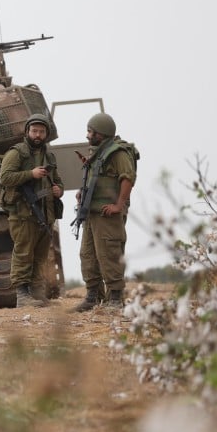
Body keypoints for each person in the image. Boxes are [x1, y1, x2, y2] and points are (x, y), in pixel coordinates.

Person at [72, 113, 139, 313]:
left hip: (108, 214)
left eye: (90, 131)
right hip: (92, 213)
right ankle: (93, 296)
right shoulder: (99, 151)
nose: (87, 135)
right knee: (88, 255)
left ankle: (116, 298)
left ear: (101, 133)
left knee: (109, 254)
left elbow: (127, 178)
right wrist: (81, 193)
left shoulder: (118, 153)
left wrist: (119, 205)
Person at [0, 113, 65, 308]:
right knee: (23, 254)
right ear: (27, 131)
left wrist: (58, 190)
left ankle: (37, 294)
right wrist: (31, 174)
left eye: (41, 132)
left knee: (40, 256)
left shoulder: (49, 156)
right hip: (23, 214)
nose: (38, 135)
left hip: (45, 215)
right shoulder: (17, 153)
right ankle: (22, 297)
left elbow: (58, 180)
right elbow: (6, 177)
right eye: (34, 131)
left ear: (46, 134)